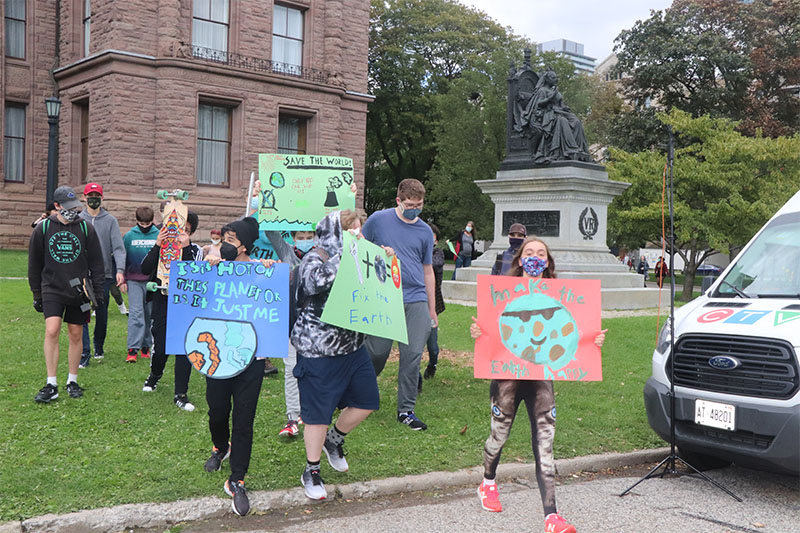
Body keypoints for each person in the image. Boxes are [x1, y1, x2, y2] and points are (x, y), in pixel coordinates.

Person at [470, 236, 606, 533]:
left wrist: (591, 340)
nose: (534, 257)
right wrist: (479, 330)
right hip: (508, 374)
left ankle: (551, 516)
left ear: (548, 260)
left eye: (540, 253)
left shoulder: (562, 295)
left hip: (541, 376)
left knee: (546, 441)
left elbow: (574, 330)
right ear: (519, 260)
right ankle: (488, 482)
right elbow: (490, 328)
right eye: (528, 253)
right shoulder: (502, 293)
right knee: (499, 434)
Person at [292, 210, 382, 501]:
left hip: (353, 347)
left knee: (367, 402)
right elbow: (311, 284)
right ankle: (312, 470)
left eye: (361, 229)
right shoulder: (314, 258)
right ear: (337, 233)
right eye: (354, 230)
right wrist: (347, 256)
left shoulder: (358, 254)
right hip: (318, 349)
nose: (360, 234)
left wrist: (382, 260)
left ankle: (335, 440)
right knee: (317, 414)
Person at [202, 216, 276, 516]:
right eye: (224, 239)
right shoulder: (211, 262)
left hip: (252, 358)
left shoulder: (261, 270)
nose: (225, 244)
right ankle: (220, 446)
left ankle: (237, 479)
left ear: (245, 245)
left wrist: (270, 276)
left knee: (244, 420)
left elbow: (274, 302)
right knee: (217, 410)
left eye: (231, 240)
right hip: (218, 355)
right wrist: (208, 269)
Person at [362, 178, 435, 431]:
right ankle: (358, 392)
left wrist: (432, 308)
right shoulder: (378, 220)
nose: (415, 208)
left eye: (420, 204)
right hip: (384, 296)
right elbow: (359, 251)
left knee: (412, 355)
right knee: (377, 352)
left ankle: (406, 410)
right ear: (398, 201)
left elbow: (428, 271)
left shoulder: (425, 231)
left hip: (416, 298)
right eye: (410, 204)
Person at [28, 186, 105, 403]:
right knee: (52, 330)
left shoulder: (86, 229)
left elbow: (97, 262)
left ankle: (72, 380)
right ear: (57, 207)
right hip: (52, 287)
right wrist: (37, 294)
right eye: (68, 208)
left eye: (76, 207)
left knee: (76, 334)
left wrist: (97, 292)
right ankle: (51, 383)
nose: (74, 211)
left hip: (78, 290)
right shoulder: (42, 229)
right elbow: (34, 264)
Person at [140, 211, 203, 409]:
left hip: (184, 303)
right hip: (163, 300)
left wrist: (184, 248)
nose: (180, 234)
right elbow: (144, 268)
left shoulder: (195, 250)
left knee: (184, 347)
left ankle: (181, 394)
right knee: (161, 345)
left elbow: (195, 273)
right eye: (177, 229)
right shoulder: (161, 245)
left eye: (186, 230)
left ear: (191, 233)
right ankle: (154, 375)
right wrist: (158, 244)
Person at [79, 182, 126, 367]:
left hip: (104, 276)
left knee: (102, 312)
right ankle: (85, 352)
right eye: (90, 195)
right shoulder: (78, 219)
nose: (93, 199)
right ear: (84, 198)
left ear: (102, 198)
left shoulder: (110, 221)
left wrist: (120, 271)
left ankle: (99, 346)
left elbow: (119, 248)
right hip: (82, 275)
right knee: (82, 312)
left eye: (96, 196)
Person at [519, 69, 591, 164]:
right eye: (553, 78)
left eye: (556, 78)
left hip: (559, 111)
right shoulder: (542, 91)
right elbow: (538, 104)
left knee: (576, 121)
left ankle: (580, 150)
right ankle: (569, 150)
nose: (555, 80)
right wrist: (549, 98)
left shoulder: (556, 91)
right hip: (548, 113)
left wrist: (564, 107)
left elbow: (561, 104)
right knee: (562, 121)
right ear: (547, 79)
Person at [122, 207, 158, 362]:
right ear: (136, 221)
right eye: (142, 223)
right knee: (136, 314)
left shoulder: (158, 235)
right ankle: (133, 348)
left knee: (149, 315)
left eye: (148, 223)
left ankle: (146, 346)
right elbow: (122, 257)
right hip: (134, 279)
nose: (145, 226)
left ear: (153, 221)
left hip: (152, 281)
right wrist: (122, 278)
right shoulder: (129, 236)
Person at [420, 223, 445, 388]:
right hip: (415, 302)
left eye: (432, 236)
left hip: (432, 305)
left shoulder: (438, 254)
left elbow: (433, 264)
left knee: (433, 346)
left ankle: (432, 364)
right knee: (415, 346)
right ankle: (416, 380)